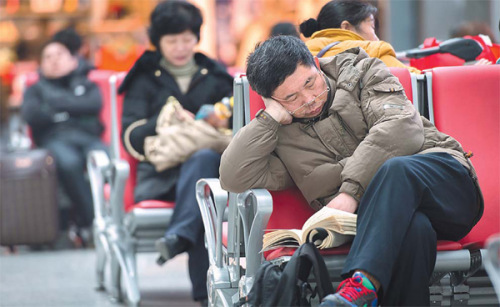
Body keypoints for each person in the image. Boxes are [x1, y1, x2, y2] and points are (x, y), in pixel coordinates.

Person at [219, 36, 483, 306]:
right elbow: (233, 177)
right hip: (386, 225)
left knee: (396, 168)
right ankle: (361, 293)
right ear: (272, 100)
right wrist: (269, 119)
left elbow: (401, 128)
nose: (309, 100)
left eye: (310, 83)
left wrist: (350, 193)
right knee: (414, 230)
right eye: (291, 98)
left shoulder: (362, 72)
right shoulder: (283, 136)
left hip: (448, 190)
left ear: (316, 65)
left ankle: (359, 286)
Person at [118, 1, 233, 305]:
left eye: (187, 39)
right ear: (158, 41)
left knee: (204, 170)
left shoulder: (216, 76)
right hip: (162, 176)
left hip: (211, 174)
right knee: (204, 192)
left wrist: (222, 118)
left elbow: (242, 126)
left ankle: (180, 235)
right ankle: (205, 296)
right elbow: (130, 137)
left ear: (197, 37)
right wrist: (164, 118)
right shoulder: (144, 78)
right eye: (172, 40)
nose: (180, 47)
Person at [21, 30, 107, 243]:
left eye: (59, 55)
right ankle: (93, 222)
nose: (53, 61)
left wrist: (57, 107)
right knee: (70, 164)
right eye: (47, 57)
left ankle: (112, 217)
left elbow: (93, 104)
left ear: (73, 59)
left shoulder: (86, 82)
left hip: (88, 138)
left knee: (105, 160)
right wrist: (72, 107)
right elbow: (32, 115)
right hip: (55, 140)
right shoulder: (35, 89)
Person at [300, 0, 420, 73]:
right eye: (372, 27)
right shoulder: (372, 53)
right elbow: (417, 80)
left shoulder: (303, 56)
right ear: (346, 27)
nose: (376, 37)